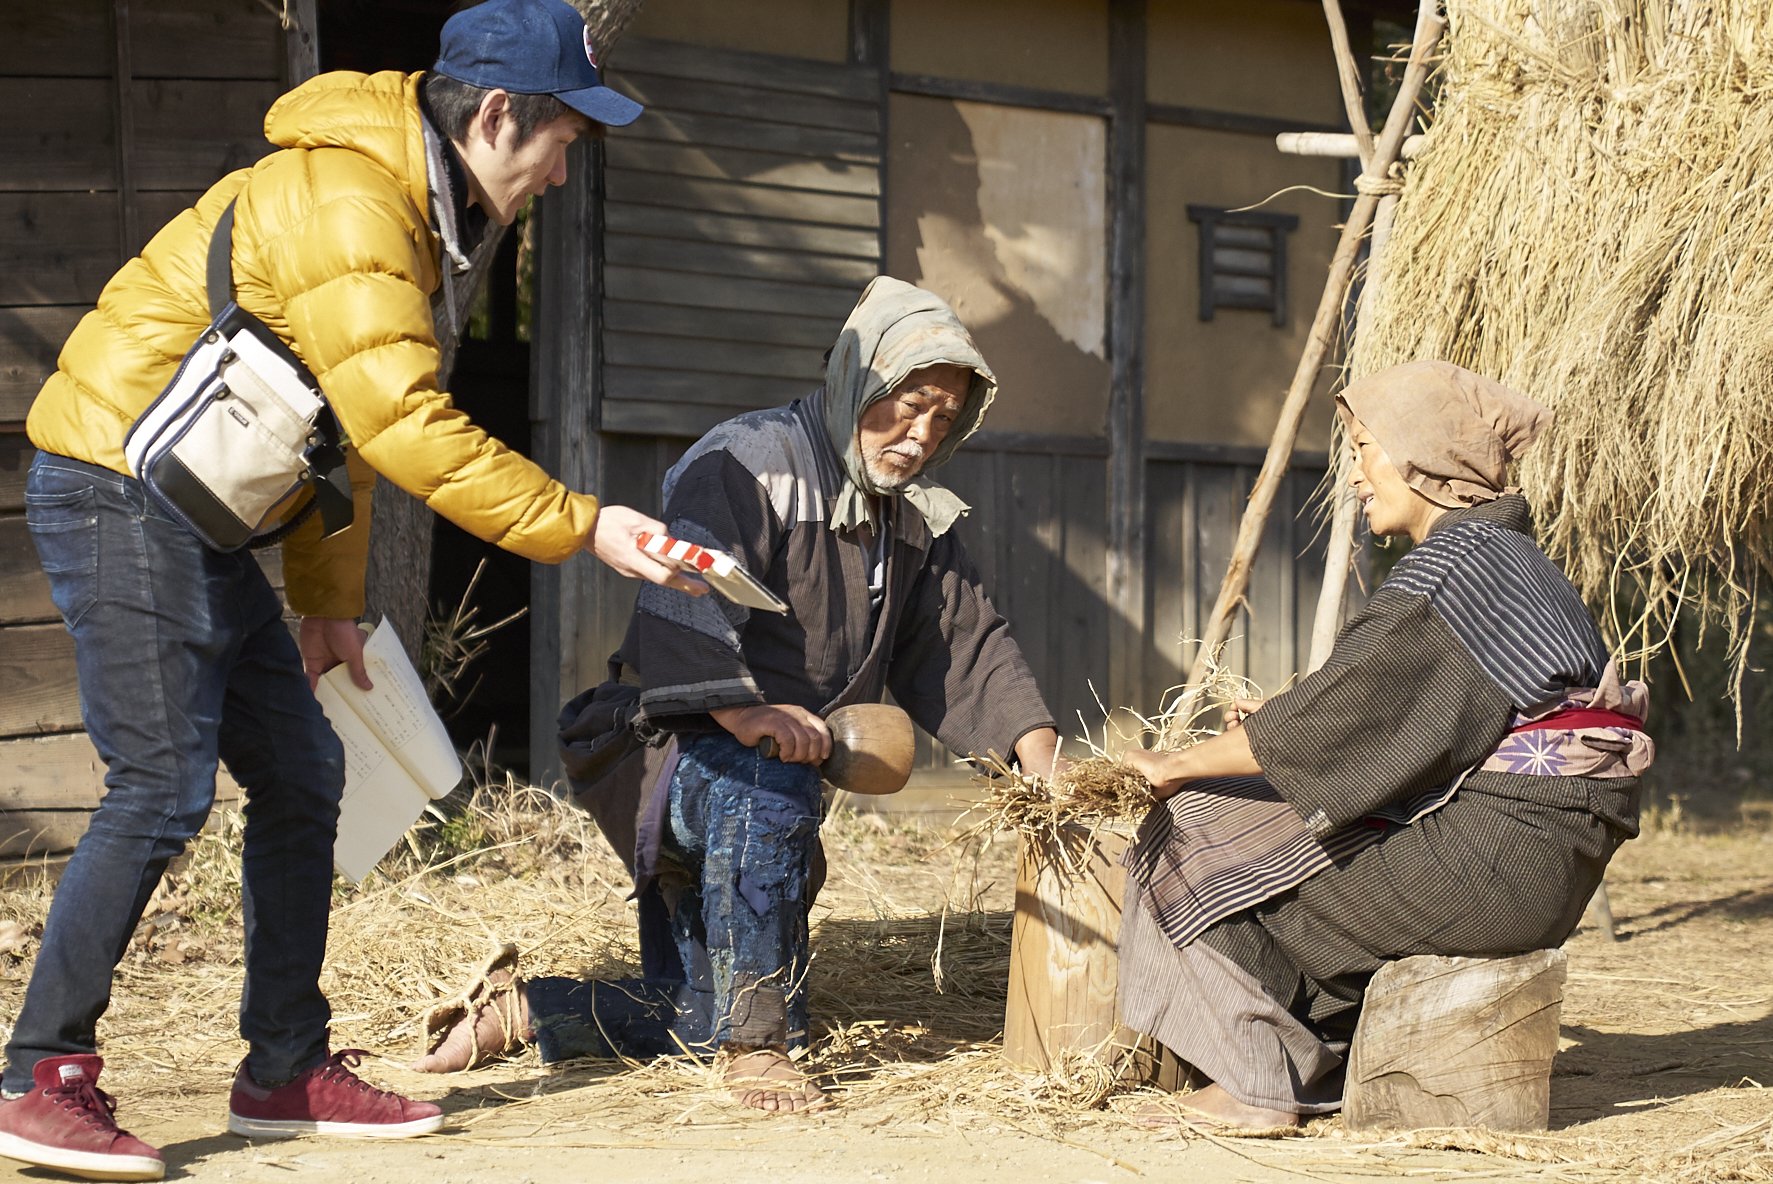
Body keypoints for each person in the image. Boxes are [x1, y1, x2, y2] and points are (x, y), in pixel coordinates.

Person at [0, 1, 704, 1179]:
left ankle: (283, 1065)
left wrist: (327, 601)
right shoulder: (355, 200)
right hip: (114, 487)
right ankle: (40, 1074)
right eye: (564, 139)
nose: (563, 171)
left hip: (192, 517)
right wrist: (584, 523)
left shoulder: (410, 214)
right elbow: (405, 427)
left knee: (302, 768)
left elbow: (341, 438)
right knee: (161, 785)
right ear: (496, 115)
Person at [414, 276, 1064, 1113]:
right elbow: (688, 588)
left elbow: (964, 644)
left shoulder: (913, 519)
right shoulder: (746, 459)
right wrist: (744, 710)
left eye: (945, 418)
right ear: (856, 380)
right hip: (669, 754)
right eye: (910, 405)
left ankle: (527, 1009)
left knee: (697, 1014)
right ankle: (758, 1051)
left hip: (770, 780)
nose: (922, 435)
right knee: (766, 796)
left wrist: (1043, 767)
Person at [1113, 360, 1653, 1131]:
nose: (1355, 474)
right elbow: (1392, 715)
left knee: (1191, 825)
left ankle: (1256, 1081)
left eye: (1365, 449)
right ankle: (1316, 1057)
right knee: (1259, 815)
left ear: (1425, 459)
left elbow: (1340, 721)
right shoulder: (1508, 562)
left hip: (1493, 866)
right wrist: (1285, 722)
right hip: (1533, 863)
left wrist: (1174, 764)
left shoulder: (1457, 566)